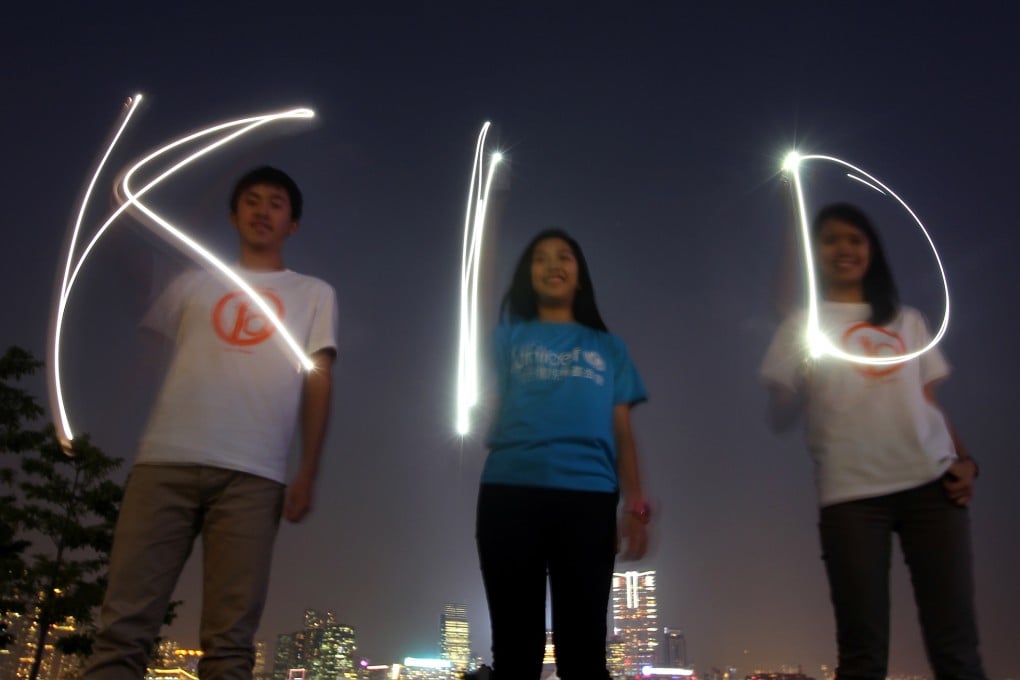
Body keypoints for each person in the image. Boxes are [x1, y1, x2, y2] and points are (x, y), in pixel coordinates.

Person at [83, 166, 338, 680]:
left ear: (293, 223)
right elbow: (143, 344)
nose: (262, 210)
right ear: (233, 215)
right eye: (251, 200)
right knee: (123, 629)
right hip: (165, 462)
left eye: (276, 202)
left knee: (229, 646)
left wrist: (308, 469)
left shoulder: (312, 293)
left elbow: (319, 380)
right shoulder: (194, 284)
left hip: (253, 473)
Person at [761, 203, 986, 680]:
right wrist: (800, 375)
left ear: (872, 251)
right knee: (862, 655)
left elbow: (928, 403)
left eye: (855, 239)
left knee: (957, 649)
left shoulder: (908, 321)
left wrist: (967, 461)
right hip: (851, 496)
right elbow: (779, 413)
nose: (844, 249)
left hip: (932, 485)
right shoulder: (803, 327)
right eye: (830, 240)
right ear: (815, 253)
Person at [476, 228, 650, 680]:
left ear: (579, 276)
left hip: (588, 499)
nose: (553, 265)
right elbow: (488, 416)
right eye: (540, 258)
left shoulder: (609, 348)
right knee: (516, 650)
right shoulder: (505, 340)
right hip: (510, 493)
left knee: (585, 650)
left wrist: (634, 504)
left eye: (565, 257)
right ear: (527, 275)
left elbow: (623, 431)